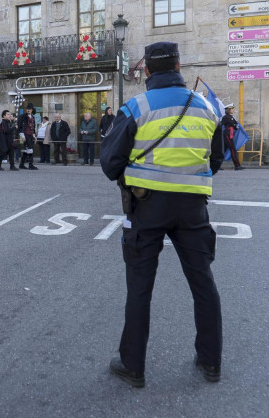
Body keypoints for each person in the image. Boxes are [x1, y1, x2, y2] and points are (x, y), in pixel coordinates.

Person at [100, 41, 224, 388]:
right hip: (192, 208)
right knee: (203, 283)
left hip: (147, 206)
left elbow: (110, 163)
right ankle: (211, 361)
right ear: (179, 65)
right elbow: (216, 160)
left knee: (140, 288)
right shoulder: (206, 107)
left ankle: (133, 365)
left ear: (148, 71)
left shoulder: (137, 105)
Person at [221, 104, 244, 170]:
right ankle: (237, 165)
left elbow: (235, 126)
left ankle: (216, 164)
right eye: (232, 109)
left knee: (223, 150)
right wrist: (234, 125)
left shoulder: (231, 117)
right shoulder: (226, 117)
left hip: (229, 134)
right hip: (227, 134)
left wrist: (235, 125)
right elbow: (232, 124)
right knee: (232, 149)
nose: (233, 110)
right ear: (229, 110)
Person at [16, 103, 38, 170]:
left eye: (30, 109)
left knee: (26, 150)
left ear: (32, 110)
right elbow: (20, 127)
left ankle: (21, 164)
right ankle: (31, 165)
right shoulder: (22, 116)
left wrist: (34, 136)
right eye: (27, 109)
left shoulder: (33, 117)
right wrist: (22, 136)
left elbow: (33, 127)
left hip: (30, 135)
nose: (28, 110)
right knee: (30, 149)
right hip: (25, 134)